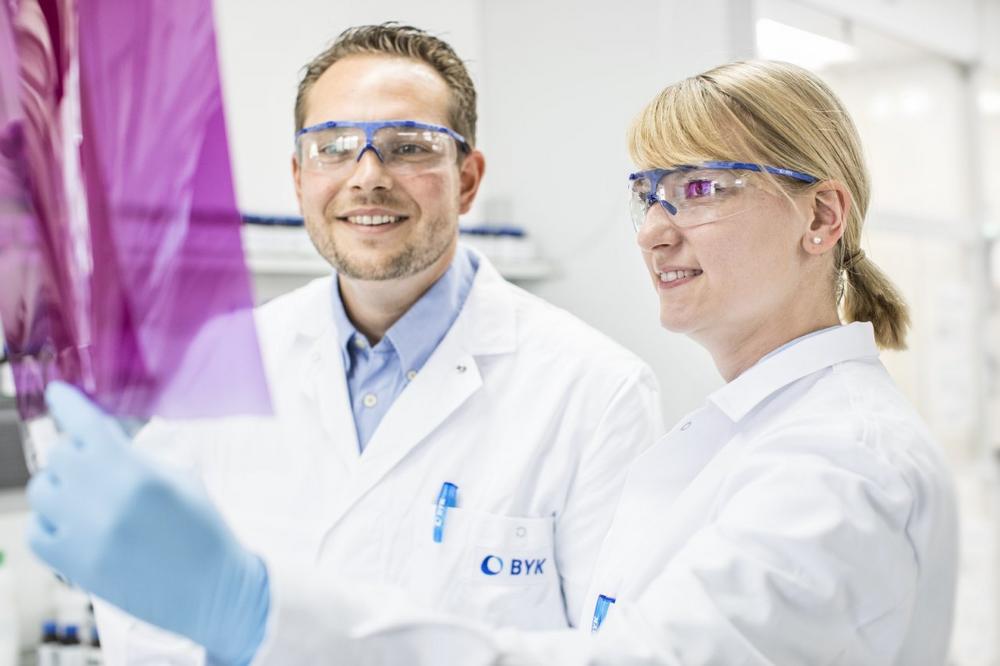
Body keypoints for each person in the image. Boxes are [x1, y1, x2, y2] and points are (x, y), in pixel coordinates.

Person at [27, 59, 957, 665]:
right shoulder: (746, 436)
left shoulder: (841, 467)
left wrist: (257, 612)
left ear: (821, 218)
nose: (654, 228)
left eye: (701, 187)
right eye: (647, 192)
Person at [25, 23, 662, 665]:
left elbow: (622, 653)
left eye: (408, 146)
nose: (367, 176)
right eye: (332, 147)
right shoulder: (225, 358)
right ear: (299, 177)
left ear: (467, 179)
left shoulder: (597, 390)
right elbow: (141, 606)